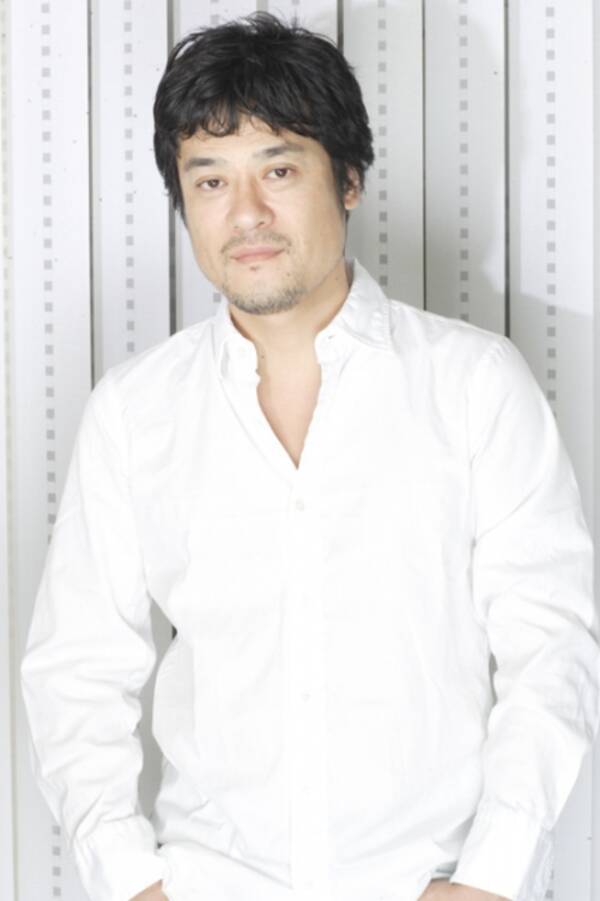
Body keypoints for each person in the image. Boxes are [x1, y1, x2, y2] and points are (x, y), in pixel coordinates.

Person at [20, 11, 600, 901]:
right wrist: (130, 879)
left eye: (280, 169)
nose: (246, 214)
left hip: (430, 882)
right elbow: (76, 669)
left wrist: (492, 876)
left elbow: (552, 643)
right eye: (210, 180)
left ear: (349, 178)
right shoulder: (135, 414)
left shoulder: (475, 385)